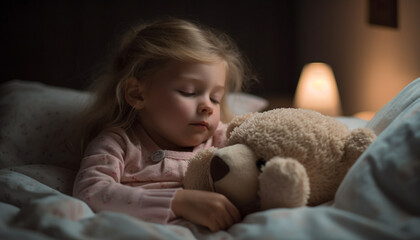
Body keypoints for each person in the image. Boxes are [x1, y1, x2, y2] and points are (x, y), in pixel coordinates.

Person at [72, 17, 255, 232]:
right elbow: (90, 191)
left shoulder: (223, 139)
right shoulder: (119, 144)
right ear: (137, 93)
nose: (208, 107)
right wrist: (179, 202)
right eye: (188, 92)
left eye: (215, 98)